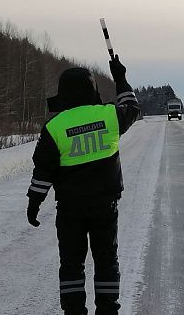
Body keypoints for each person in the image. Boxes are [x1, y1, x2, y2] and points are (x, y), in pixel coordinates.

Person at [26, 55, 140, 315]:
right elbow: (132, 107)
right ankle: (108, 310)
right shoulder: (110, 115)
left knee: (71, 265)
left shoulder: (54, 127)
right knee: (106, 262)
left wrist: (34, 202)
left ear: (63, 92)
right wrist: (120, 77)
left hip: (70, 210)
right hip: (104, 207)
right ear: (92, 89)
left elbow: (44, 170)